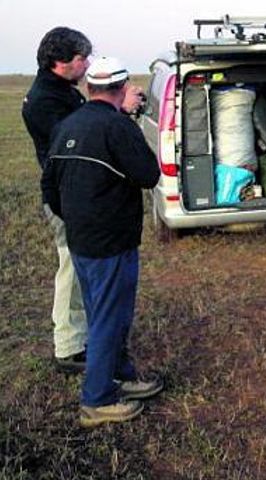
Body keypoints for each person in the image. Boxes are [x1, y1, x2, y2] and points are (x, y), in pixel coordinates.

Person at [42, 57, 162, 427]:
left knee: (103, 313)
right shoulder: (117, 126)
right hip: (111, 242)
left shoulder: (67, 125)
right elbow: (147, 174)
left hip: (81, 240)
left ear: (89, 87)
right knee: (111, 318)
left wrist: (77, 220)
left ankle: (121, 376)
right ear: (122, 89)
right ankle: (96, 400)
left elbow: (49, 185)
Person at [22, 27, 144, 374]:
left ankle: (88, 338)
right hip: (71, 199)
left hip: (77, 195)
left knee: (79, 271)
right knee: (73, 270)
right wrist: (119, 111)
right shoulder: (46, 101)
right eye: (81, 58)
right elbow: (85, 137)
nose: (86, 63)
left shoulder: (60, 92)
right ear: (61, 63)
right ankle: (71, 346)